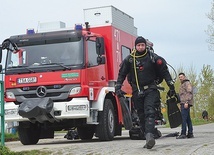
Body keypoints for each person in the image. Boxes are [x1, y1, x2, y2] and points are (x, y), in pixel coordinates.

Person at [115, 36, 176, 149]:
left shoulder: (152, 58)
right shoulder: (130, 60)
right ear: (135, 46)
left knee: (149, 111)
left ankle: (149, 136)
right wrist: (118, 86)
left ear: (145, 46)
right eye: (138, 45)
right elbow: (122, 73)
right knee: (141, 115)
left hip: (151, 89)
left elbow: (164, 71)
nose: (141, 47)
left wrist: (171, 86)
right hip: (137, 91)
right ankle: (147, 136)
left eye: (142, 45)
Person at [176, 72, 194, 139]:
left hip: (185, 103)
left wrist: (186, 102)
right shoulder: (182, 84)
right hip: (183, 103)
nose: (180, 78)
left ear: (184, 76)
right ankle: (190, 133)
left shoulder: (187, 83)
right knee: (188, 119)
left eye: (181, 77)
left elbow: (189, 92)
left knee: (183, 118)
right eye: (179, 77)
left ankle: (183, 133)